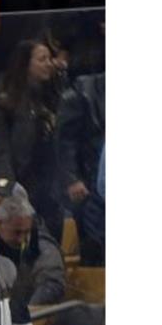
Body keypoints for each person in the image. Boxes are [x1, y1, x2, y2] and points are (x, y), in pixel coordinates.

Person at [0, 39, 66, 237]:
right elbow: (2, 151)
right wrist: (6, 189)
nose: (49, 64)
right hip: (22, 186)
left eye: (50, 59)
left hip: (51, 189)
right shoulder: (6, 105)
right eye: (42, 59)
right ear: (25, 64)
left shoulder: (54, 98)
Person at [57, 71, 105, 265]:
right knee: (96, 245)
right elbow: (65, 141)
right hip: (90, 184)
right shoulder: (85, 92)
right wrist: (71, 178)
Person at [0, 195, 65, 306]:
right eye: (17, 232)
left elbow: (51, 284)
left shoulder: (42, 247)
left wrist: (29, 311)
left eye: (26, 232)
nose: (22, 239)